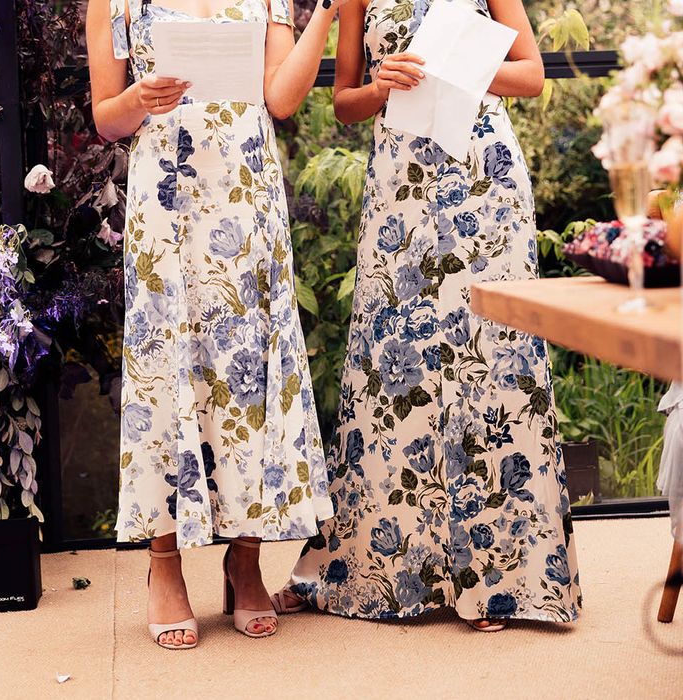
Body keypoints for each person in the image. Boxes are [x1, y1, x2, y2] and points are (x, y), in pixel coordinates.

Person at [272, 0, 582, 631]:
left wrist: (461, 69)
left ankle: (493, 580)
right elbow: (343, 103)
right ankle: (393, 571)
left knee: (492, 364)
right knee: (397, 369)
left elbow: (532, 75)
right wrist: (380, 85)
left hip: (484, 185)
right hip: (402, 191)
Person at [86, 0, 346, 648]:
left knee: (249, 378)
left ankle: (246, 559)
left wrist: (330, 14)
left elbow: (281, 99)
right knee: (168, 372)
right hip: (166, 204)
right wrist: (142, 98)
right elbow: (106, 117)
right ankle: (164, 562)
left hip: (248, 196)